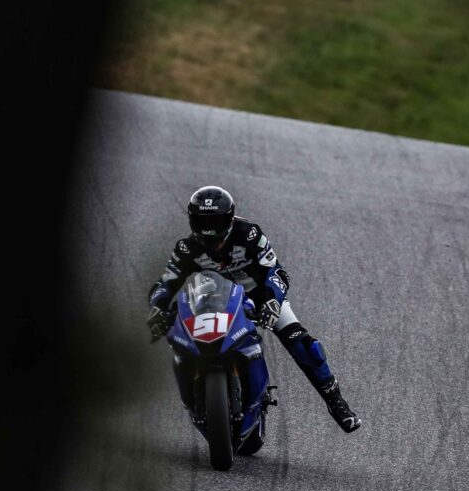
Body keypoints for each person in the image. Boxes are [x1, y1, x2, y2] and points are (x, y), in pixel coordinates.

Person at [147, 185, 362, 433]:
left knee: (303, 344)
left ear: (229, 219)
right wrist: (156, 308)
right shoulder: (186, 248)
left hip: (260, 298)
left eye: (215, 221)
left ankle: (336, 402)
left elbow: (276, 272)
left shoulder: (249, 234)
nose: (209, 230)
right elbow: (165, 283)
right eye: (202, 221)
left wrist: (272, 301)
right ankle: (194, 400)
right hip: (214, 303)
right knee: (177, 338)